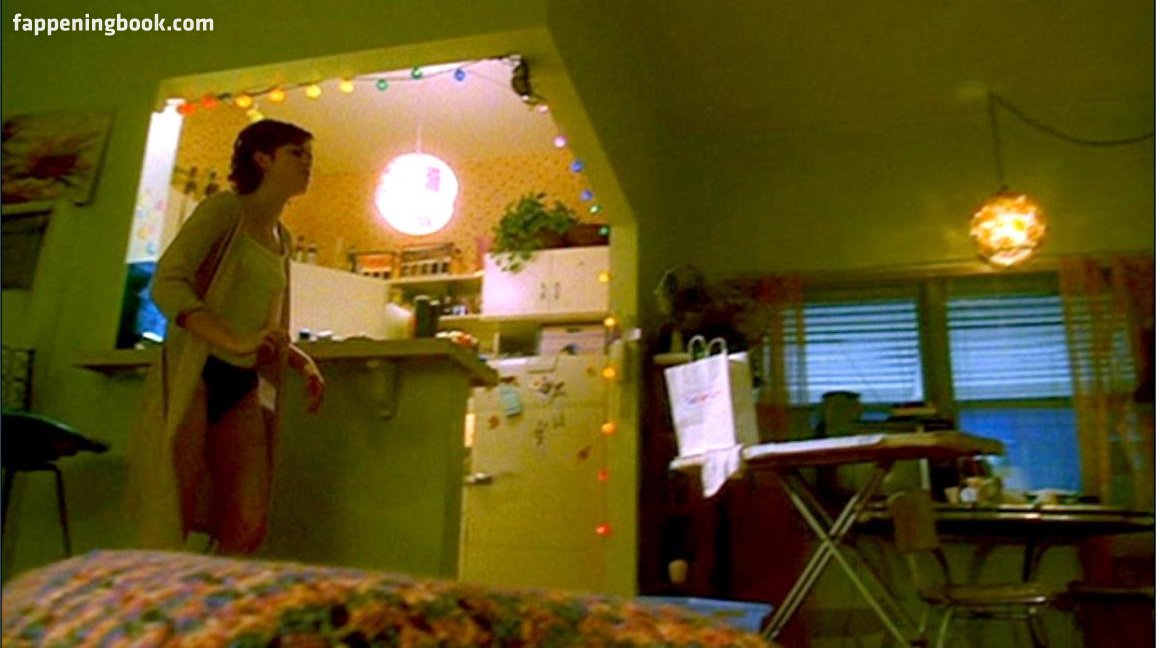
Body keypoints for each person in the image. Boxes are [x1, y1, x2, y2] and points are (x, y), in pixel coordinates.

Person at [127, 119, 325, 555]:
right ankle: (163, 592)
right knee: (173, 506)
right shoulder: (224, 210)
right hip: (196, 371)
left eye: (310, 156)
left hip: (241, 381)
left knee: (249, 520)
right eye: (296, 153)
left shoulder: (283, 239)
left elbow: (266, 328)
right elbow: (168, 283)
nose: (308, 164)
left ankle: (212, 592)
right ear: (263, 159)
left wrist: (301, 360)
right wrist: (234, 340)